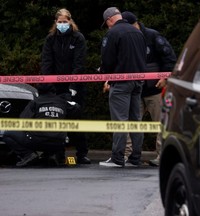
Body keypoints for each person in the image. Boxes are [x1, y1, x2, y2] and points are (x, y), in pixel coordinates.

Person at [121, 11, 177, 166]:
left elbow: (170, 58)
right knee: (132, 124)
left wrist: (165, 78)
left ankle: (162, 156)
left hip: (155, 89)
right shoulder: (127, 39)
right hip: (135, 89)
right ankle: (129, 155)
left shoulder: (153, 36)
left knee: (161, 123)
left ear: (135, 24)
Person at [40, 8, 91, 164]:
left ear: (70, 21)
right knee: (54, 120)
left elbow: (79, 64)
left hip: (75, 86)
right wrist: (48, 86)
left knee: (76, 119)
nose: (62, 24)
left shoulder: (78, 38)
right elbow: (47, 63)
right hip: (55, 87)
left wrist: (73, 86)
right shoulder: (51, 39)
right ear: (56, 23)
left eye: (65, 21)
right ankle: (57, 153)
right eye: (59, 22)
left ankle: (81, 153)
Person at [99, 7, 147, 167]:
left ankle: (117, 158)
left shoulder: (112, 33)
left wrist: (106, 75)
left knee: (120, 120)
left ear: (109, 20)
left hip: (121, 82)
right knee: (136, 120)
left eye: (106, 24)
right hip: (138, 80)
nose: (108, 26)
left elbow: (107, 60)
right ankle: (135, 158)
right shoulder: (138, 32)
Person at [3, 83, 81, 167]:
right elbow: (76, 109)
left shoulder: (35, 103)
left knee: (8, 134)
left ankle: (28, 155)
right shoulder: (62, 102)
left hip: (37, 141)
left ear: (39, 92)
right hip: (59, 142)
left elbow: (23, 121)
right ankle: (52, 155)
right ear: (54, 91)